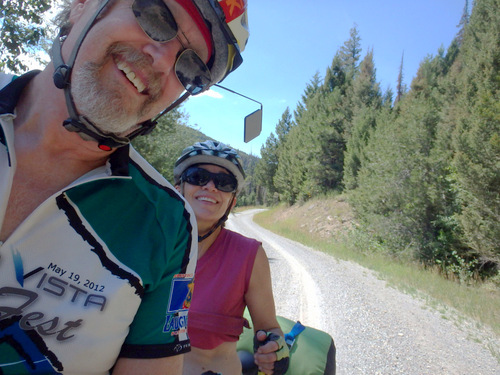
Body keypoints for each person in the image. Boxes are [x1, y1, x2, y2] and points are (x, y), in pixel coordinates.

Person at [0, 0, 250, 374]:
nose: (165, 63)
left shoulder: (167, 225)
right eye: (156, 16)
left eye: (191, 67)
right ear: (82, 5)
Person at [173, 141, 290, 375]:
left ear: (232, 201)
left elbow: (269, 328)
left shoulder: (248, 255)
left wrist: (274, 349)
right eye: (198, 177)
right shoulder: (147, 245)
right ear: (179, 189)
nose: (210, 187)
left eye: (224, 183)